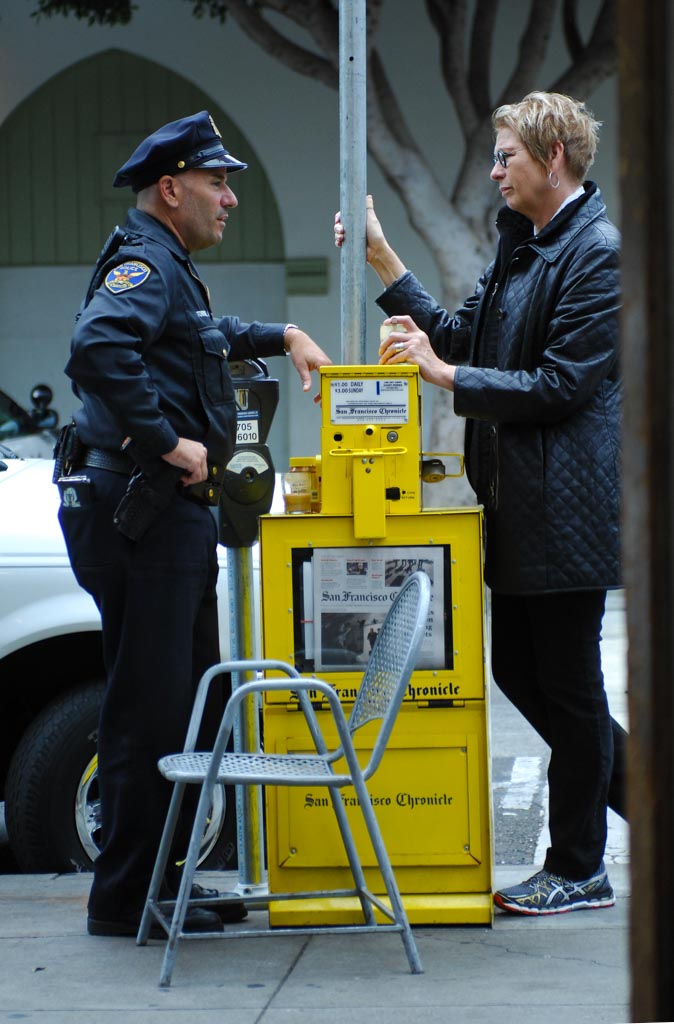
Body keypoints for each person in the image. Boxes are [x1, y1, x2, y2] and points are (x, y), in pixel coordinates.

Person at [335, 91, 626, 915]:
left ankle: (579, 867)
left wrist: (445, 376)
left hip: (564, 512)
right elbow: (459, 334)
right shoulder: (526, 246)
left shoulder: (595, 252)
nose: (496, 169)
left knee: (569, 691)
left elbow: (562, 385)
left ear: (554, 158)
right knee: (524, 673)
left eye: (507, 156)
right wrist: (385, 261)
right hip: (518, 507)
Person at [57, 110, 331, 938]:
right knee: (149, 713)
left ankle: (159, 885)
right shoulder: (147, 261)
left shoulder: (169, 265)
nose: (229, 200)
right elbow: (96, 348)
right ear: (171, 188)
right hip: (145, 518)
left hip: (163, 522)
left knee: (182, 707)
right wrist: (168, 439)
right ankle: (128, 900)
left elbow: (200, 340)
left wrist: (281, 333)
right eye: (218, 183)